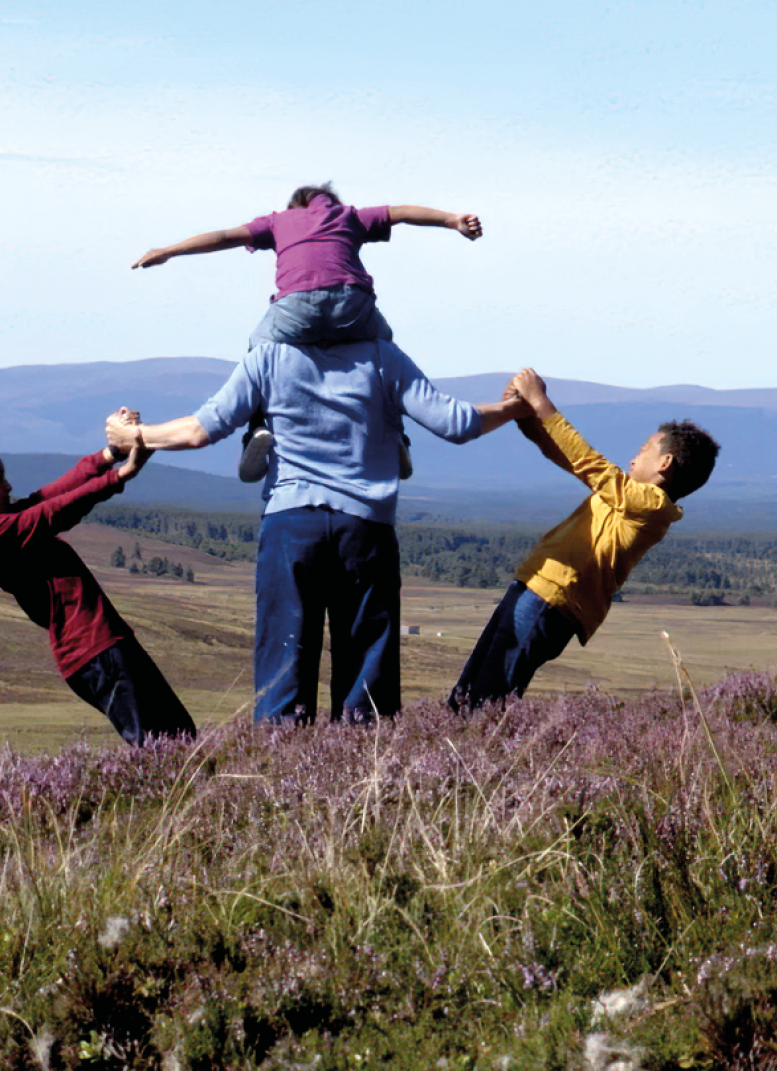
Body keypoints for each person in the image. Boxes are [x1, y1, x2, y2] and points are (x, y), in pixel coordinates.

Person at [106, 341, 529, 724]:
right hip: (366, 526)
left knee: (282, 676)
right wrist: (516, 408)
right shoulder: (383, 356)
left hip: (290, 523)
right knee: (368, 693)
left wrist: (134, 437)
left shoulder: (267, 357)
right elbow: (455, 423)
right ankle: (370, 790)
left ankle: (277, 785)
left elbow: (200, 430)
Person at [132, 183, 482, 480]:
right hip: (353, 305)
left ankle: (257, 427)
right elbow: (403, 212)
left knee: (259, 349)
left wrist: (168, 251)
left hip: (296, 307)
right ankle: (397, 437)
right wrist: (453, 220)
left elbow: (223, 236)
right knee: (385, 348)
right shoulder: (349, 215)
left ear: (294, 206)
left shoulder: (277, 221)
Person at [448, 369, 721, 712]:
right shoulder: (628, 497)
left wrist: (540, 401)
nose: (633, 457)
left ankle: (477, 757)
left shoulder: (651, 505)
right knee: (472, 687)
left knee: (488, 696)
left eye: (644, 450)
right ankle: (458, 748)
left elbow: (587, 462)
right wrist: (527, 420)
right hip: (537, 587)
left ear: (664, 463)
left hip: (552, 599)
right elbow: (568, 457)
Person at [0, 425, 196, 745]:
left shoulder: (1, 522)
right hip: (95, 651)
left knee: (180, 737)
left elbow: (52, 494)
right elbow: (53, 512)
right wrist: (120, 476)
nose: (8, 485)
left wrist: (111, 454)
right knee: (156, 748)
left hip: (104, 645)